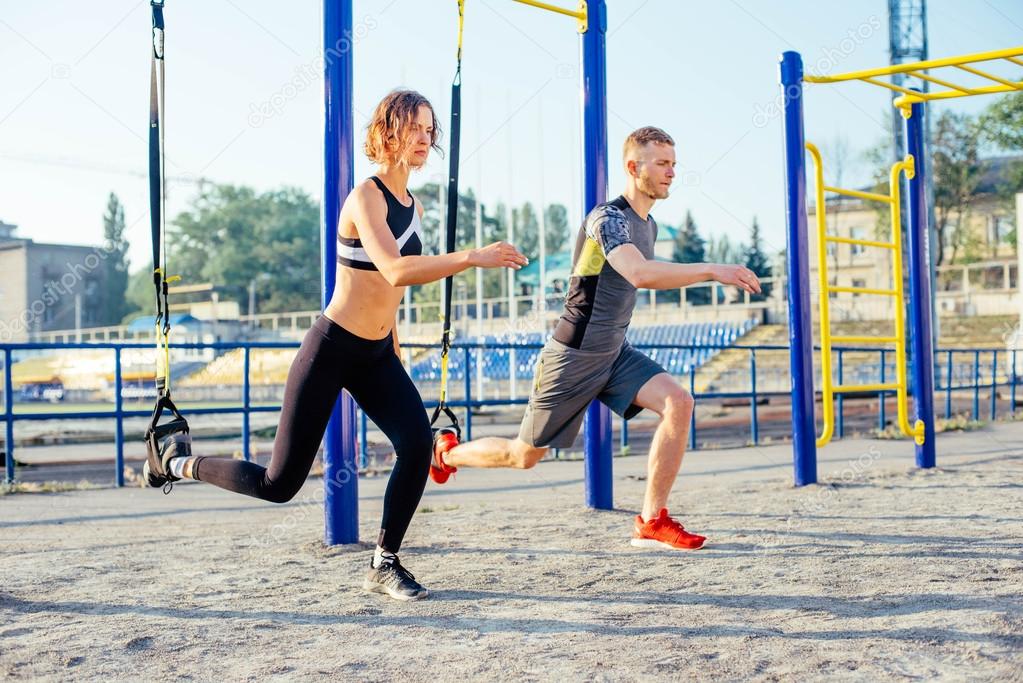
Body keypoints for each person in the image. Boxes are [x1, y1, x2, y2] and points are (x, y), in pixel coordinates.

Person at [143, 89, 527, 601]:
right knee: (279, 485)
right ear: (388, 132)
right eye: (415, 126)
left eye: (431, 129)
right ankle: (173, 461)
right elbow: (395, 269)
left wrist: (390, 346)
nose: (425, 137)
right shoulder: (365, 196)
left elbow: (386, 289)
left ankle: (383, 563)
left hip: (374, 354)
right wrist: (472, 256)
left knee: (416, 444)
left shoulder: (412, 204)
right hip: (330, 347)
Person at [431, 126, 761, 550]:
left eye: (674, 164)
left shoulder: (650, 224)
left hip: (615, 353)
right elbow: (640, 273)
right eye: (662, 163)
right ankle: (444, 453)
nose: (671, 172)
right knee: (524, 456)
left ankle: (650, 520)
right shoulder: (606, 219)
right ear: (632, 166)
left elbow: (645, 271)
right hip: (573, 355)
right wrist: (713, 269)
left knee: (679, 401)